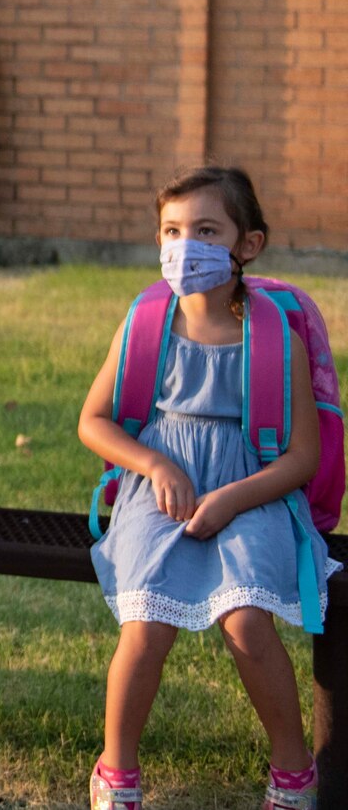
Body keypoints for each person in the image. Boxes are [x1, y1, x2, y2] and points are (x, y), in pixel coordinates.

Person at [79, 167, 332, 810]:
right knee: (147, 623)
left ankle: (293, 767)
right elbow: (94, 421)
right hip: (159, 488)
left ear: (248, 245)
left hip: (252, 491)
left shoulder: (276, 338)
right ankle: (117, 770)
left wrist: (232, 499)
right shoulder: (144, 324)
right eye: (171, 230)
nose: (182, 246)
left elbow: (303, 455)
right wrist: (157, 466)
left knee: (246, 621)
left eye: (205, 230)